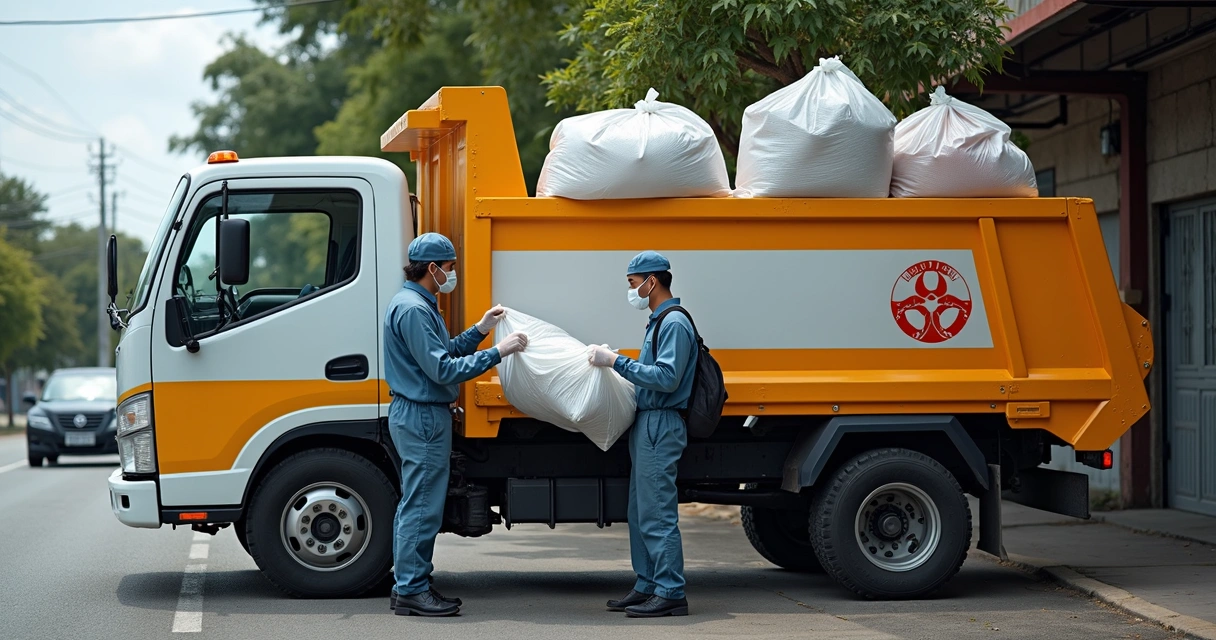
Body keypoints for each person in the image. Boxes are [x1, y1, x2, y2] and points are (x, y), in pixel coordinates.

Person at [384, 232, 528, 617]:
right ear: (432, 269)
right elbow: (442, 368)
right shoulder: (414, 310)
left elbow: (443, 350)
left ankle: (409, 584)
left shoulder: (415, 303)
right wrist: (499, 352)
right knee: (422, 506)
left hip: (418, 414)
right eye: (449, 269)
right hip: (422, 416)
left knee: (416, 503)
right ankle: (412, 589)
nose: (452, 274)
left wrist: (480, 330)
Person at [589, 250, 697, 618]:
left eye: (633, 284)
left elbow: (667, 378)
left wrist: (616, 362)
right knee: (639, 511)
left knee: (656, 512)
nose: (632, 291)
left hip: (662, 423)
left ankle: (670, 591)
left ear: (652, 282)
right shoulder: (659, 321)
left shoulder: (674, 323)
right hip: (648, 423)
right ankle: (648, 583)